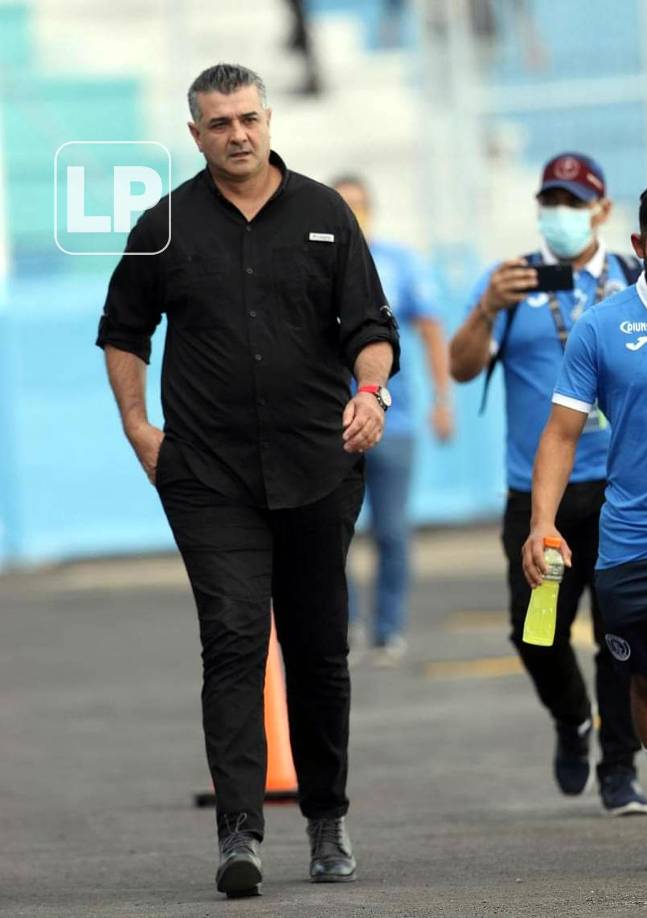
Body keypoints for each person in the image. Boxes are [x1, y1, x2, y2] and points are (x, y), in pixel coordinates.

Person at [96, 63, 399, 898]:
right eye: (220, 123)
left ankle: (327, 817)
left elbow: (372, 328)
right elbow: (123, 331)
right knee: (232, 639)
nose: (238, 134)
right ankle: (240, 833)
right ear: (194, 134)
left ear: (269, 119)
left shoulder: (326, 214)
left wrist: (371, 393)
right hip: (207, 475)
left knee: (318, 650)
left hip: (318, 467)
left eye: (249, 118)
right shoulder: (163, 225)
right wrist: (138, 429)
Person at [449, 152, 647, 814]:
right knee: (535, 631)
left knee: (622, 637)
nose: (558, 213)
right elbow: (460, 368)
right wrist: (484, 308)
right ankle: (572, 718)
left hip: (618, 493)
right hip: (541, 497)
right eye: (549, 200)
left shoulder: (632, 280)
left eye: (572, 200)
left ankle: (617, 771)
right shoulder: (511, 282)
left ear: (603, 211)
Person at [523, 184, 647, 813]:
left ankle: (620, 772)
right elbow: (561, 433)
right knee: (643, 686)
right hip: (631, 540)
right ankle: (597, 736)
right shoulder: (601, 328)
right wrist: (540, 522)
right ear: (641, 245)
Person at [332, 176, 453, 665]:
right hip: (332, 425)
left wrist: (443, 398)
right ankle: (339, 626)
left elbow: (430, 329)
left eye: (359, 205)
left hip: (394, 422)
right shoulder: (313, 263)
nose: (353, 215)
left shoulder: (401, 263)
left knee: (392, 529)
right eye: (344, 207)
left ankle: (387, 628)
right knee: (328, 530)